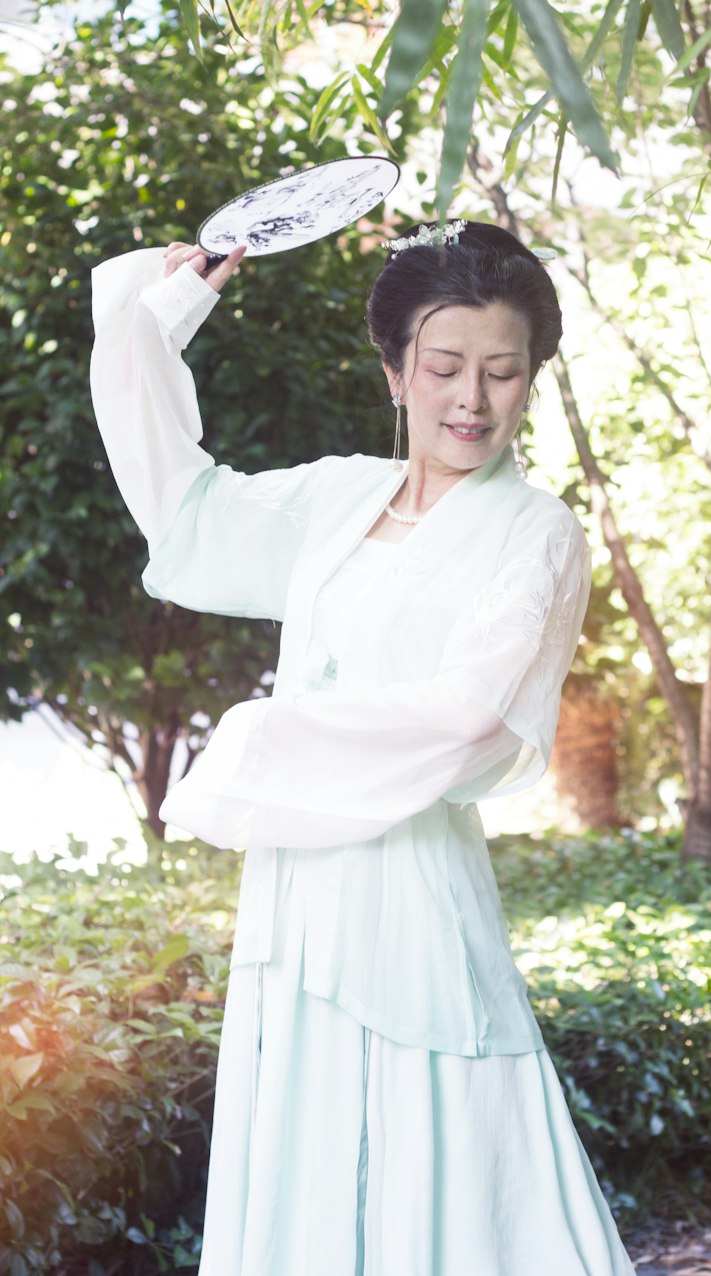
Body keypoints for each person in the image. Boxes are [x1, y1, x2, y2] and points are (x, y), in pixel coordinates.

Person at [89, 217, 636, 1276]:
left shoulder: (536, 531)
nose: (470, 400)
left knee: (457, 1196)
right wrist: (168, 309)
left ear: (531, 381)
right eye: (443, 367)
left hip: (417, 908)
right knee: (306, 1186)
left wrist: (255, 743)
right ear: (395, 373)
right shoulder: (337, 496)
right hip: (296, 908)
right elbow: (183, 510)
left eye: (502, 372)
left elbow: (473, 715)